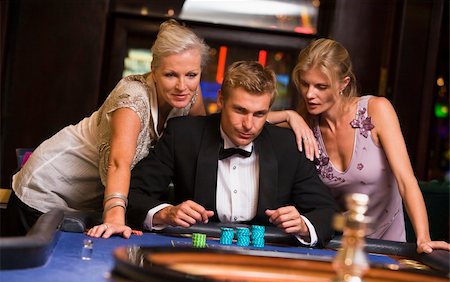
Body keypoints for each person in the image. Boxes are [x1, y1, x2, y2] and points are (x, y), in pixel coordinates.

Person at [6, 20, 314, 238]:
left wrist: (286, 115)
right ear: (153, 70)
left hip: (89, 200)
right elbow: (119, 162)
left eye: (191, 74)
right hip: (49, 190)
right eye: (170, 75)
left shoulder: (188, 95)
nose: (182, 86)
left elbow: (212, 125)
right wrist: (117, 217)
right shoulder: (133, 99)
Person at [125, 61, 338, 247]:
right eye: (240, 110)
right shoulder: (183, 135)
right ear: (221, 100)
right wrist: (165, 213)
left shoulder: (287, 146)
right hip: (194, 255)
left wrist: (303, 225)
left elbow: (327, 212)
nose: (248, 125)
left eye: (259, 114)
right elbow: (133, 194)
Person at [291, 38, 450, 253]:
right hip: (335, 246)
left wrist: (423, 238)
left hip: (388, 245)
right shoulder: (304, 123)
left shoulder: (377, 110)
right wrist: (289, 115)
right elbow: (257, 120)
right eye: (305, 83)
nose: (310, 94)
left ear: (343, 83)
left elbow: (406, 181)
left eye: (321, 86)